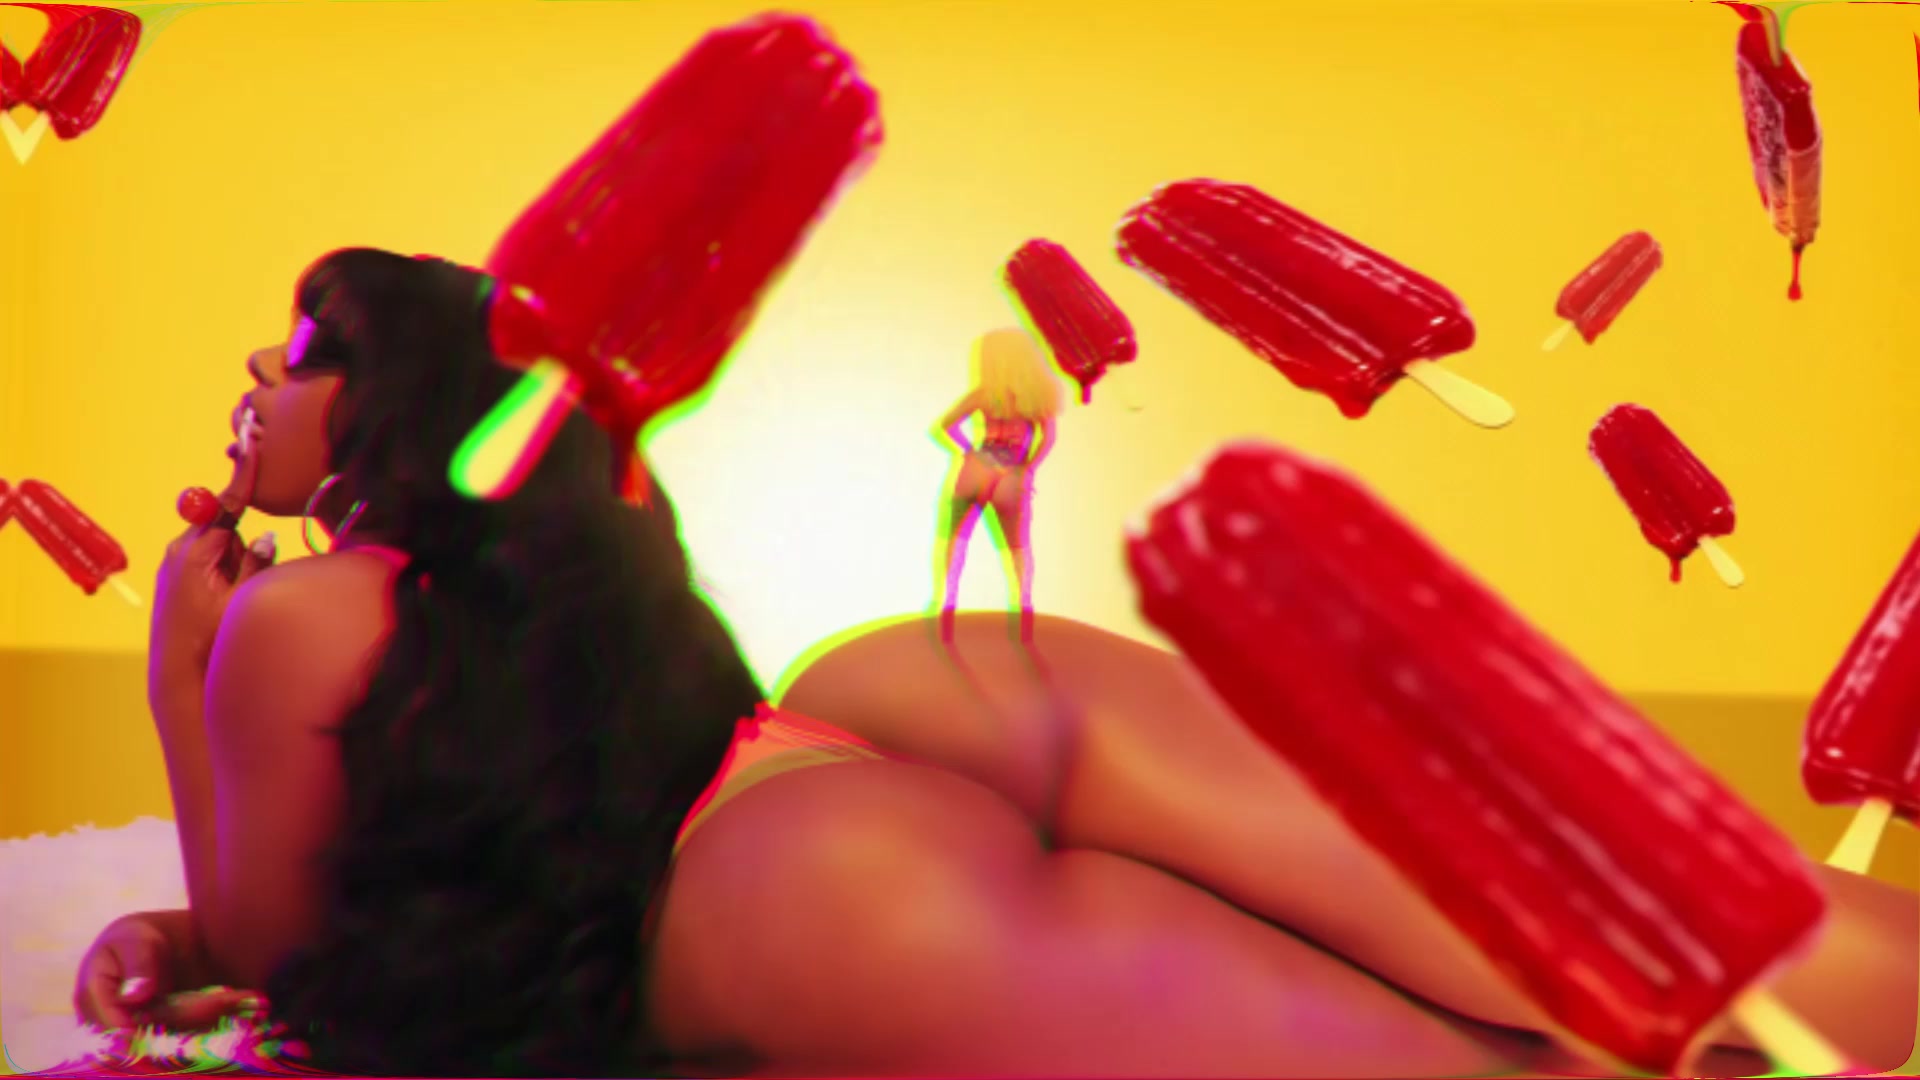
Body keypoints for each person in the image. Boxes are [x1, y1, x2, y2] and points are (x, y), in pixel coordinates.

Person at [76, 249, 1918, 1078]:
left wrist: (181, 661)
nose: (253, 373)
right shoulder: (574, 578)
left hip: (772, 905)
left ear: (388, 402)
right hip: (850, 713)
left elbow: (285, 955)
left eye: (296, 348)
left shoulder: (292, 617)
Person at [932, 327, 1063, 644]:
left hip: (977, 466)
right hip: (1011, 470)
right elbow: (1047, 438)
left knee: (956, 537)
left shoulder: (983, 394)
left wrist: (967, 450)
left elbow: (945, 425)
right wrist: (1027, 468)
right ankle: (1023, 605)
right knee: (1017, 546)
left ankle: (947, 601)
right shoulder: (1034, 397)